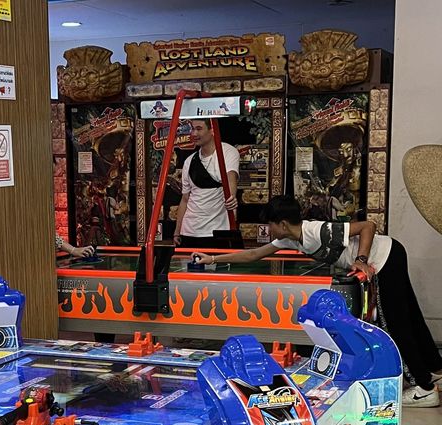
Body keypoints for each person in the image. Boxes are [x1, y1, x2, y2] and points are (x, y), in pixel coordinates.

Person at [192, 195, 442, 408]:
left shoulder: (317, 231)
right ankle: (433, 368)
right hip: (393, 252)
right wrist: (211, 259)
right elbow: (253, 254)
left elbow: (368, 226)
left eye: (270, 224)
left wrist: (361, 260)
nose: (268, 230)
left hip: (384, 257)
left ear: (282, 224)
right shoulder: (289, 238)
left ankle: (424, 388)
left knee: (395, 323)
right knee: (409, 315)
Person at [174, 119, 240, 248]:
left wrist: (231, 197)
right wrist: (177, 232)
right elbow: (185, 199)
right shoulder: (189, 161)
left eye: (199, 129)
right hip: (189, 230)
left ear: (212, 130)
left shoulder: (228, 152)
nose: (194, 133)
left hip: (217, 229)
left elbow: (231, 177)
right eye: (192, 129)